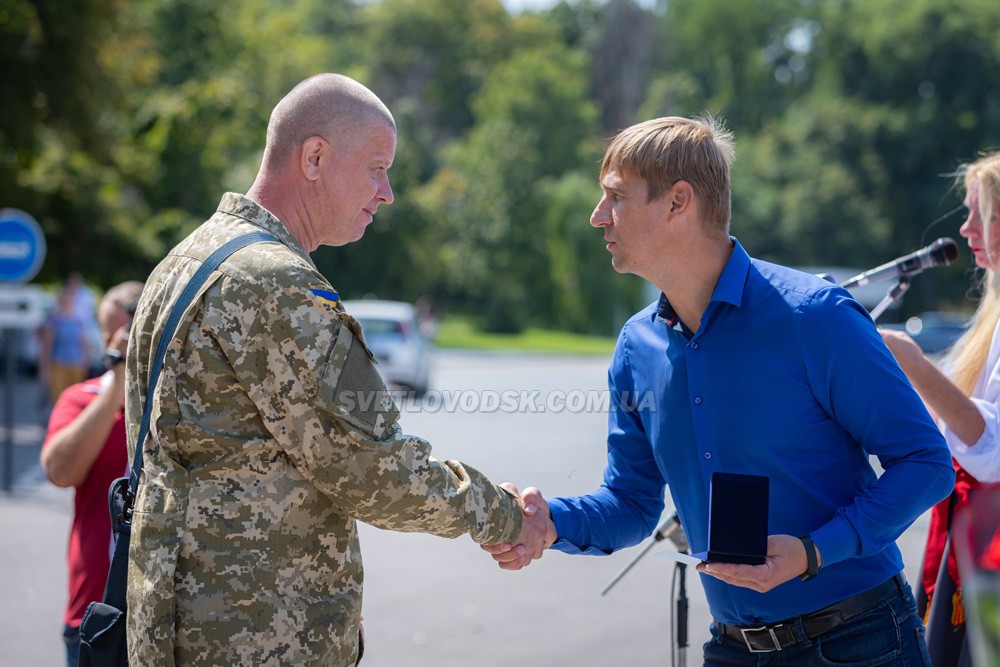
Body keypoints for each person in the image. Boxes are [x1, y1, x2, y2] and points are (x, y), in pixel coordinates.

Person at [485, 115, 955, 664]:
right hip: (733, 648)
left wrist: (811, 553)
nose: (597, 217)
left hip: (860, 642)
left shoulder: (815, 318)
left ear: (677, 202)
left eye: (615, 197)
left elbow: (926, 463)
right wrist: (550, 522)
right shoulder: (637, 346)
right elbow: (632, 504)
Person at [123, 73, 550, 667]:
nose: (388, 192)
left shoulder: (184, 260)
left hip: (178, 625)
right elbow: (373, 468)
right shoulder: (275, 282)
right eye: (377, 168)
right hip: (250, 638)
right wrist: (501, 514)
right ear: (315, 157)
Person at [881, 151, 1000, 666]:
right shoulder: (991, 314)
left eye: (981, 213)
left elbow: (991, 445)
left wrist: (912, 363)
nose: (967, 227)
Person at [40, 280, 144, 667]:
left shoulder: (179, 408)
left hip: (165, 615)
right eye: (115, 328)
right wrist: (119, 380)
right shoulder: (80, 399)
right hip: (94, 608)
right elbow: (60, 472)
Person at [40, 286, 92, 405]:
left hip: (76, 365)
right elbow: (47, 346)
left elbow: (84, 343)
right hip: (58, 364)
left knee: (75, 399)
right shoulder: (55, 321)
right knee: (59, 399)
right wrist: (44, 369)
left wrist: (86, 362)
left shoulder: (78, 321)